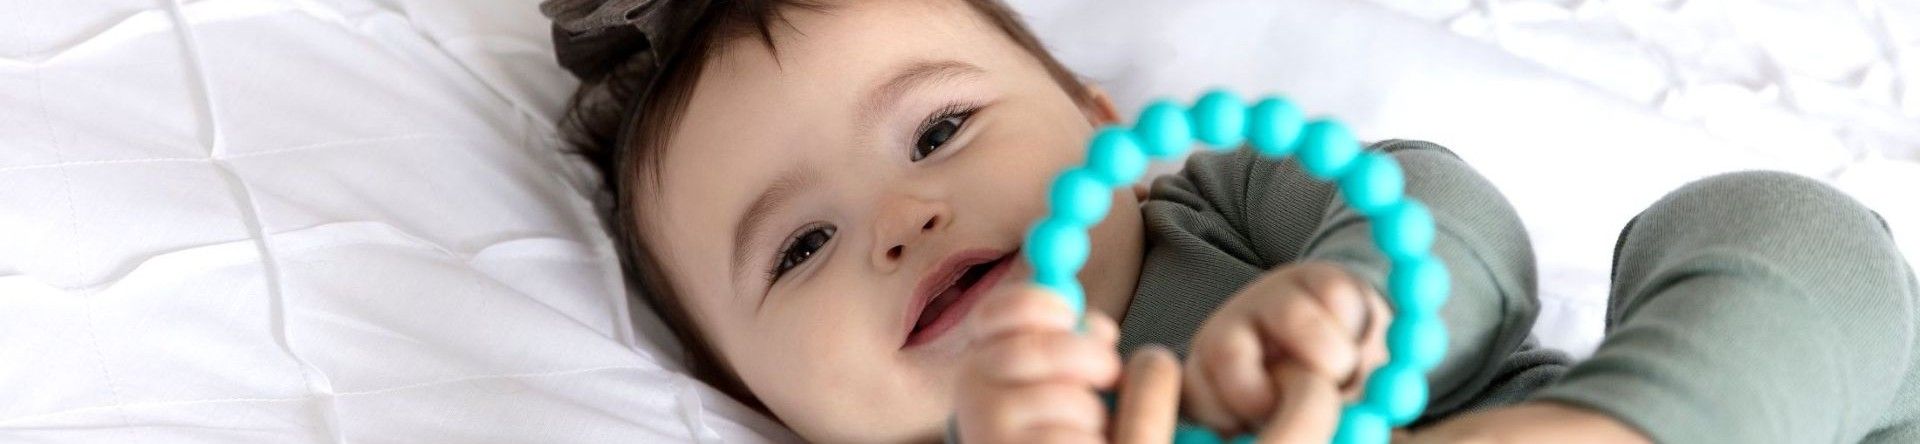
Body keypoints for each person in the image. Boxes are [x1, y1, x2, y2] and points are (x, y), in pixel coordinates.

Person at [540, 0, 1920, 441]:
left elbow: (1468, 239)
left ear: (1096, 120)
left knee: (1772, 225)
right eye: (797, 250)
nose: (901, 219)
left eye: (942, 129)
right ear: (744, 392)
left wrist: (1351, 311)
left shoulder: (1216, 201)